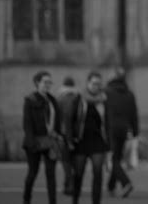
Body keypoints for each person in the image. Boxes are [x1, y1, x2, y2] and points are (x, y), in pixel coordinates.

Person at [66, 71, 109, 204]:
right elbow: (69, 120)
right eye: (94, 83)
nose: (96, 86)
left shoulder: (104, 100)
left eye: (99, 84)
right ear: (88, 83)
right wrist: (69, 139)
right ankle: (75, 199)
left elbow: (108, 122)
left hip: (98, 141)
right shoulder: (79, 99)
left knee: (98, 174)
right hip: (81, 141)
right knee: (78, 174)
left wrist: (110, 142)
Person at [22, 71, 62, 204]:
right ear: (37, 83)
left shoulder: (52, 100)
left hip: (50, 142)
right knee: (32, 173)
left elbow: (57, 121)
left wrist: (58, 135)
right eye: (45, 82)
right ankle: (26, 199)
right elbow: (27, 123)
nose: (48, 85)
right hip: (35, 142)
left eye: (50, 82)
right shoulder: (30, 100)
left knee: (51, 174)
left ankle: (53, 201)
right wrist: (31, 142)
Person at [104, 67, 139, 197]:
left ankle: (126, 182)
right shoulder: (129, 94)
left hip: (110, 129)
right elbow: (134, 114)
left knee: (114, 159)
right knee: (117, 158)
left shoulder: (106, 92)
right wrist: (135, 131)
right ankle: (111, 186)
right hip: (124, 130)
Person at [57, 76, 78, 196]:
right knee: (74, 161)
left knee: (66, 161)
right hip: (76, 135)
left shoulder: (59, 98)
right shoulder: (77, 98)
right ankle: (70, 184)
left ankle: (68, 185)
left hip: (64, 134)